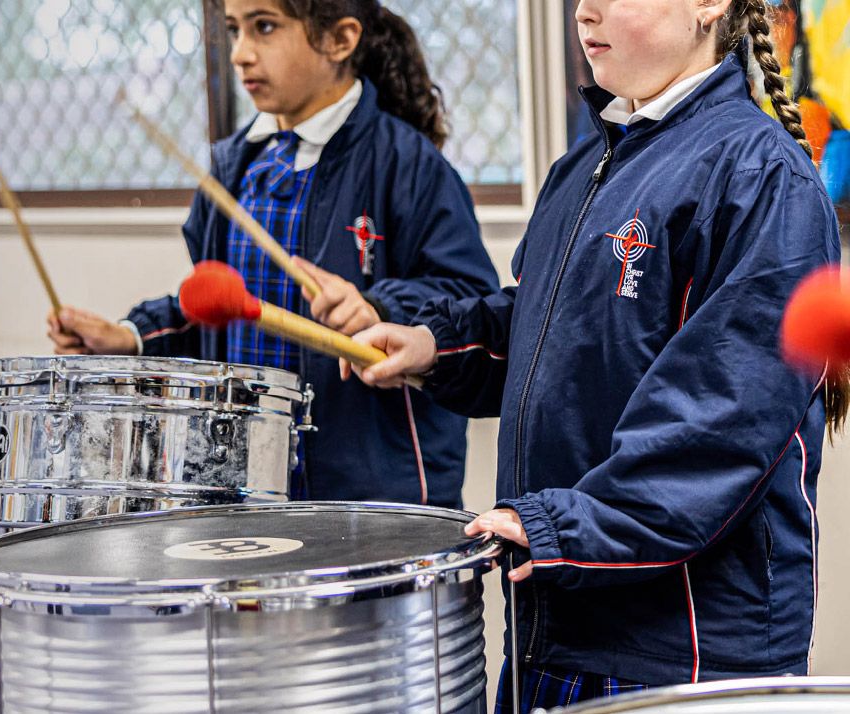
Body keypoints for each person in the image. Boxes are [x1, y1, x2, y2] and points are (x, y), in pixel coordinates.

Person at [344, 0, 839, 707]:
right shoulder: (585, 165)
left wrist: (553, 527)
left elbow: (720, 426)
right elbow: (552, 330)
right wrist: (434, 345)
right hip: (558, 618)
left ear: (709, 6)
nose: (586, 11)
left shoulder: (761, 176)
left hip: (683, 656)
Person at [51, 0, 497, 507]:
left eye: (264, 27)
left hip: (371, 500)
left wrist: (380, 308)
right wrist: (132, 337)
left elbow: (469, 303)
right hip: (247, 487)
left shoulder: (408, 165)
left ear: (340, 40)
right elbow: (217, 308)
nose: (241, 53)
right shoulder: (235, 168)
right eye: (234, 30)